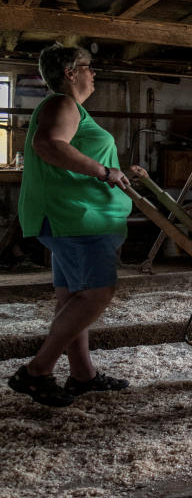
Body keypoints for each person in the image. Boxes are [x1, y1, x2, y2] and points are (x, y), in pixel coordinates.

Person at [7, 44, 132, 407]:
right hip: (74, 217)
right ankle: (36, 372)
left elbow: (74, 154)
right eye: (89, 67)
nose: (94, 74)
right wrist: (104, 171)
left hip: (70, 214)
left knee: (73, 298)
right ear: (70, 72)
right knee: (97, 293)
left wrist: (119, 173)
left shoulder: (72, 110)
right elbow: (49, 145)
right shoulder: (61, 104)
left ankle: (82, 375)